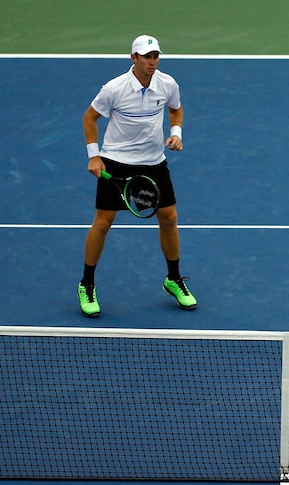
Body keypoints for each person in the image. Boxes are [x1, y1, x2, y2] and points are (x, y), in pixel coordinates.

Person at [77, 34, 197, 317]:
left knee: (169, 218)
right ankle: (87, 284)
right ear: (134, 58)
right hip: (116, 161)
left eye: (155, 56)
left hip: (153, 162)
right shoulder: (114, 89)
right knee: (103, 222)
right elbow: (89, 118)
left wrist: (176, 133)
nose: (152, 62)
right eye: (147, 57)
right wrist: (94, 155)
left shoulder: (167, 84)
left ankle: (173, 279)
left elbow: (176, 109)